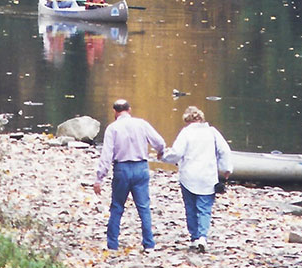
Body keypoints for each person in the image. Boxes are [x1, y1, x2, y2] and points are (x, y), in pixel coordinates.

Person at [93, 99, 166, 251]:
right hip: (141, 168)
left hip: (122, 169)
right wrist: (160, 152)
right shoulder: (142, 124)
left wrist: (99, 178)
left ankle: (112, 245)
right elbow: (159, 142)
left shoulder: (112, 128)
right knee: (144, 207)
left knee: (117, 207)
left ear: (115, 111)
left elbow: (106, 155)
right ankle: (149, 244)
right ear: (129, 110)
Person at [164, 105, 232, 253]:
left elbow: (176, 153)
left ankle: (194, 237)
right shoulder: (212, 132)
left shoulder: (186, 133)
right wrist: (226, 169)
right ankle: (202, 237)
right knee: (204, 208)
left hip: (188, 176)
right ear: (201, 118)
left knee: (190, 208)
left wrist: (164, 157)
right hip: (208, 176)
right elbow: (224, 151)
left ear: (186, 120)